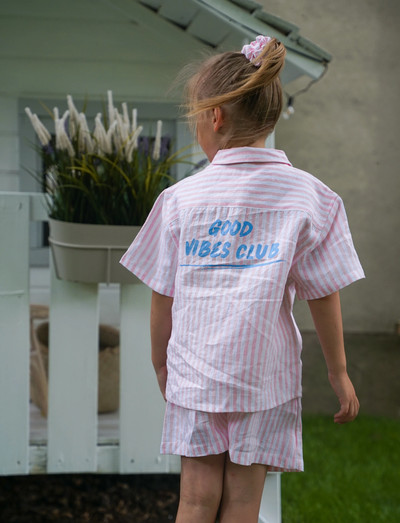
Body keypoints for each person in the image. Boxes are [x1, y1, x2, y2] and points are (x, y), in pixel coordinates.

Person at [120, 35, 364, 523]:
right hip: (264, 381)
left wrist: (160, 362)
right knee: (242, 503)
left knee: (195, 501)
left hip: (195, 375)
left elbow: (162, 295)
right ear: (268, 118)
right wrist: (338, 371)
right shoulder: (309, 197)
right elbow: (324, 294)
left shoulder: (181, 200)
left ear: (215, 117)